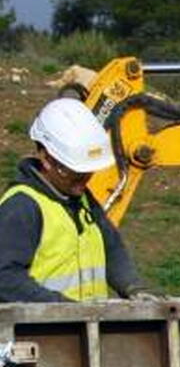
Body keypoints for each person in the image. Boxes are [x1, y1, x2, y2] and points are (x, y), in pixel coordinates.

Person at [0, 98, 151, 302]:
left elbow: (111, 247)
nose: (83, 183)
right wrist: (63, 309)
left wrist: (132, 286)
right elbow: (5, 278)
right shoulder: (22, 207)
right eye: (74, 173)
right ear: (46, 159)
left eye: (88, 173)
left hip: (85, 328)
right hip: (42, 331)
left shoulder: (81, 199)